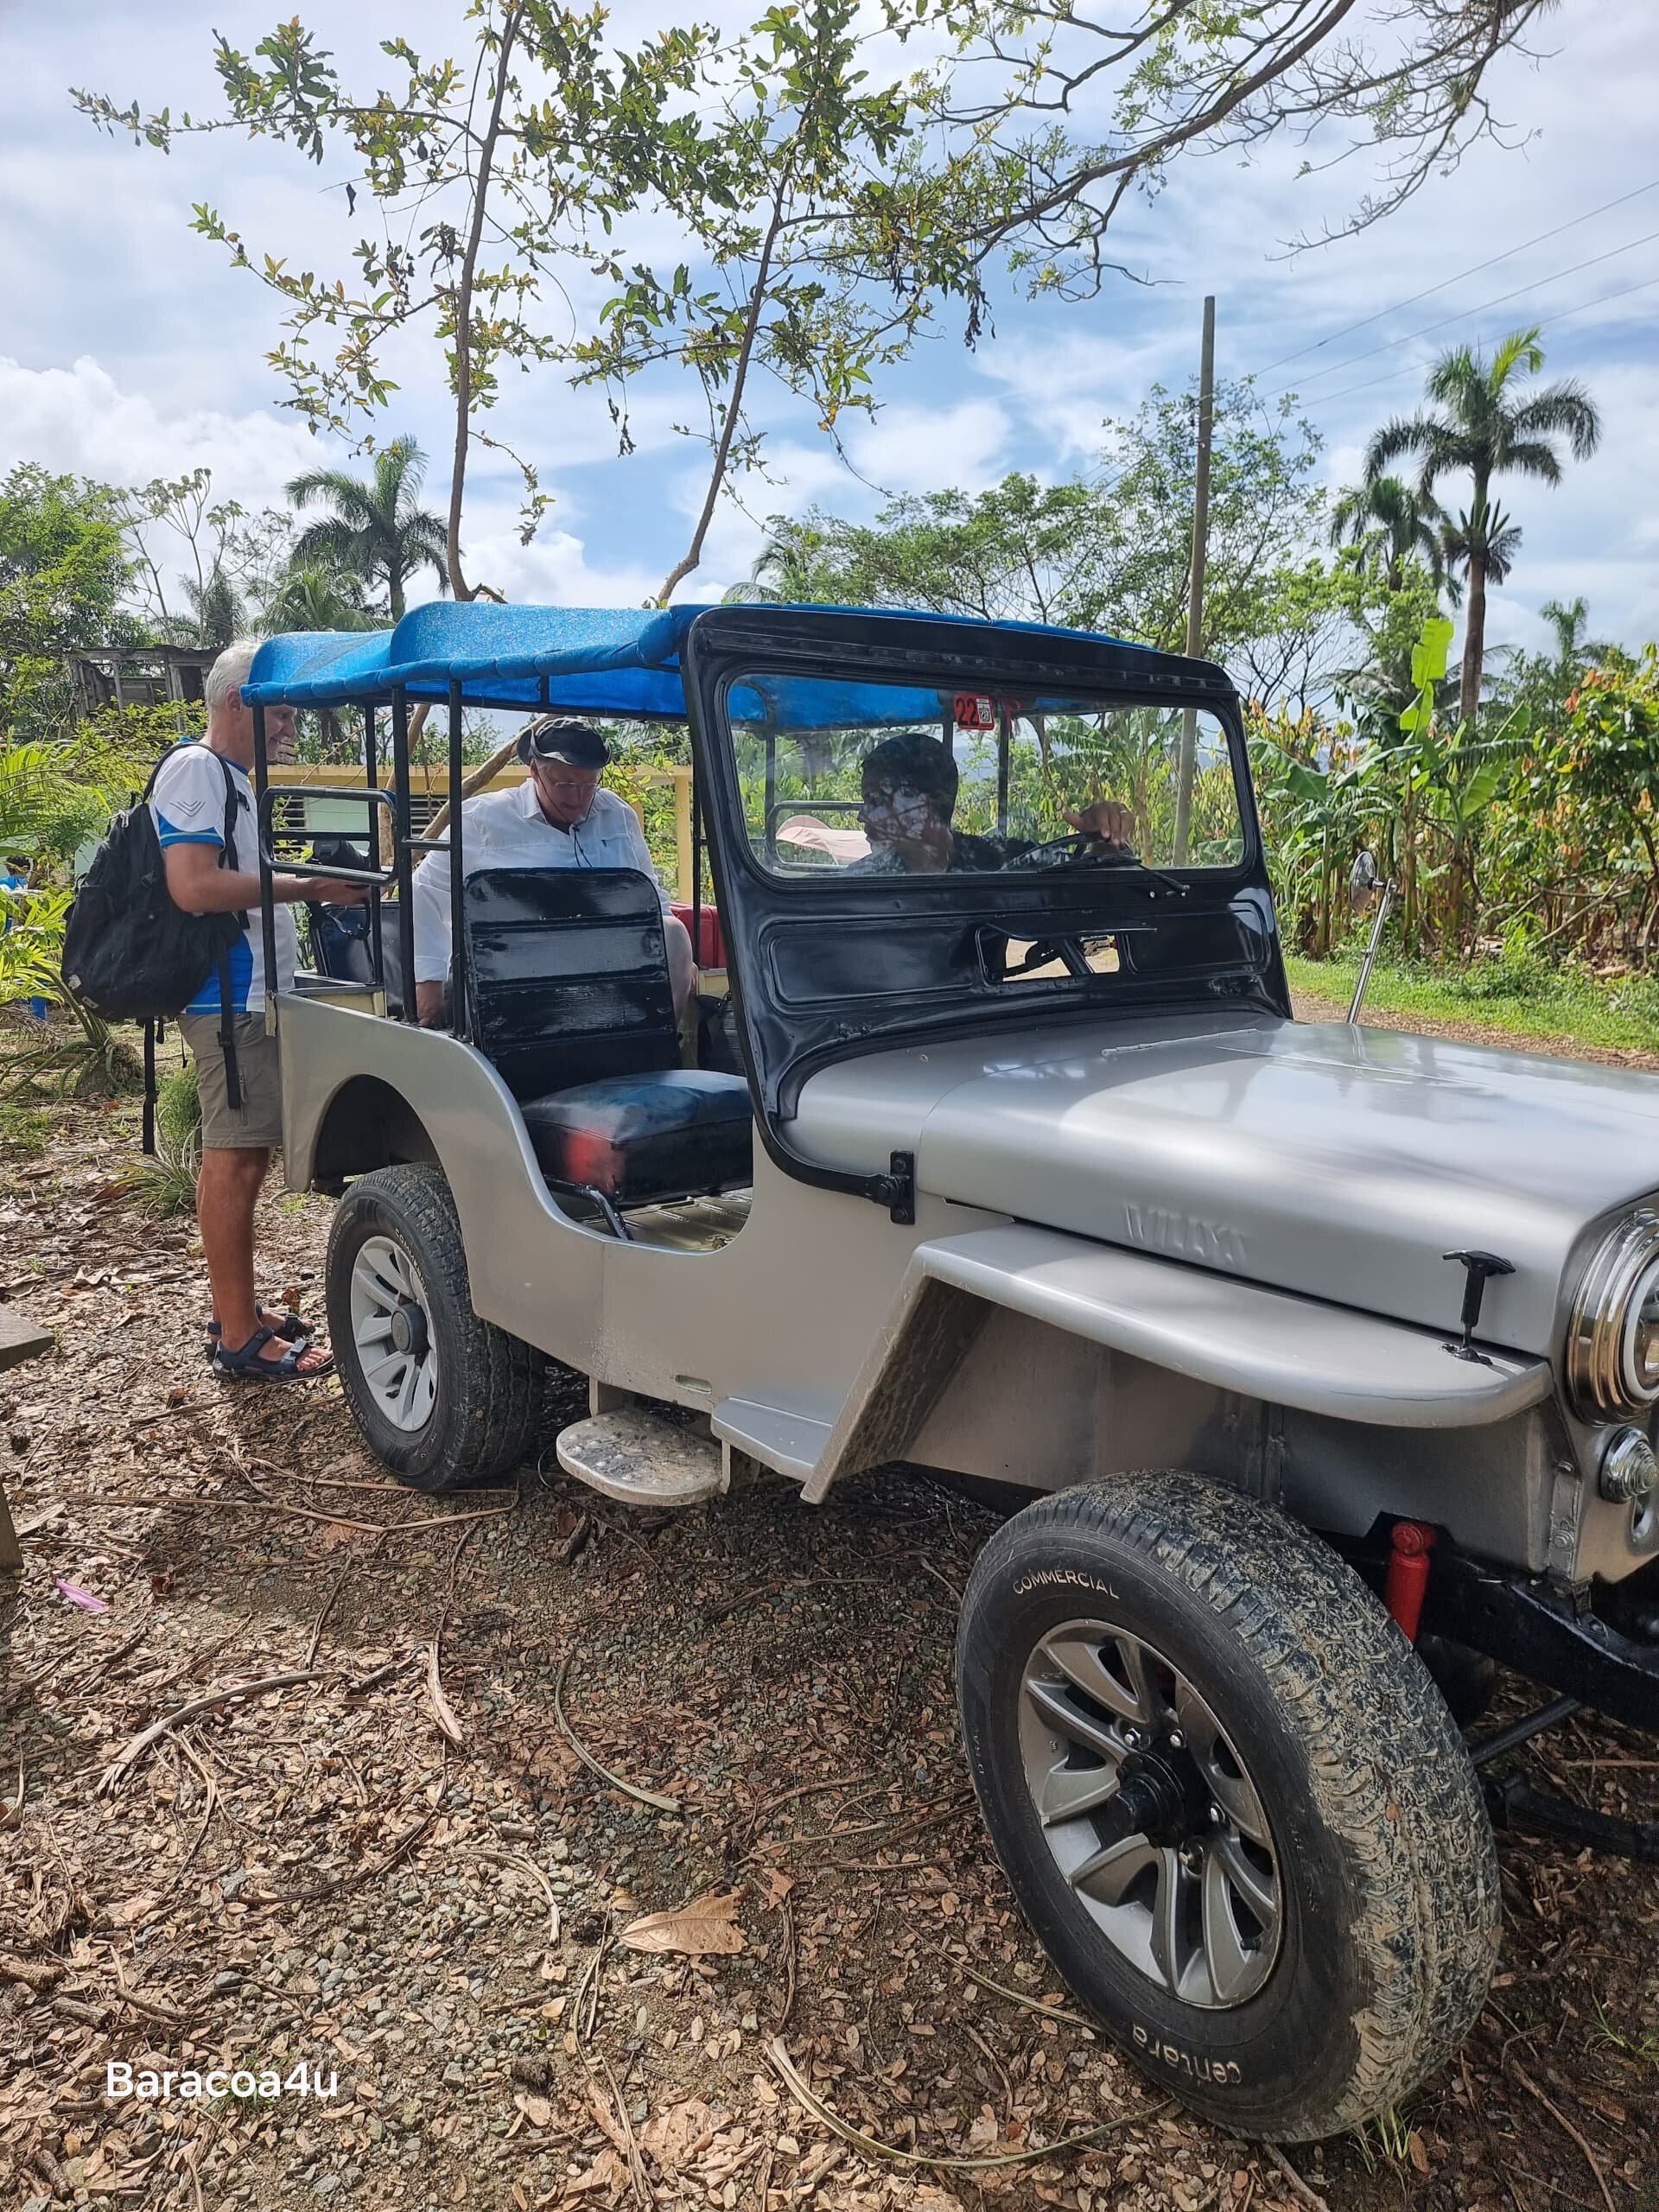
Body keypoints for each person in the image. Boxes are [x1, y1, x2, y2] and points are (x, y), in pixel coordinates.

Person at [151, 638, 368, 1381]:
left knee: (245, 1153)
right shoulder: (195, 770)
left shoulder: (233, 781)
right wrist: (307, 889)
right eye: (281, 712)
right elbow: (194, 886)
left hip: (252, 992)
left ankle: (235, 1308)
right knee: (236, 1158)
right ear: (239, 702)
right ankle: (238, 1337)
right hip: (225, 996)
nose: (290, 728)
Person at [410, 716, 695, 1027]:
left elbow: (650, 897)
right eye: (565, 785)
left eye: (589, 786)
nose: (578, 799)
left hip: (610, 977)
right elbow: (423, 891)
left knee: (674, 934)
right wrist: (429, 986)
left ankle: (656, 1047)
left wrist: (679, 960)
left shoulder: (618, 817)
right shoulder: (481, 822)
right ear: (534, 771)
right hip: (516, 984)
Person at [847, 731, 1135, 874]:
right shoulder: (864, 880)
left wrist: (1105, 843)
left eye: (877, 800)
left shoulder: (1000, 859)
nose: (863, 815)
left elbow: (1083, 888)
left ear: (925, 806)